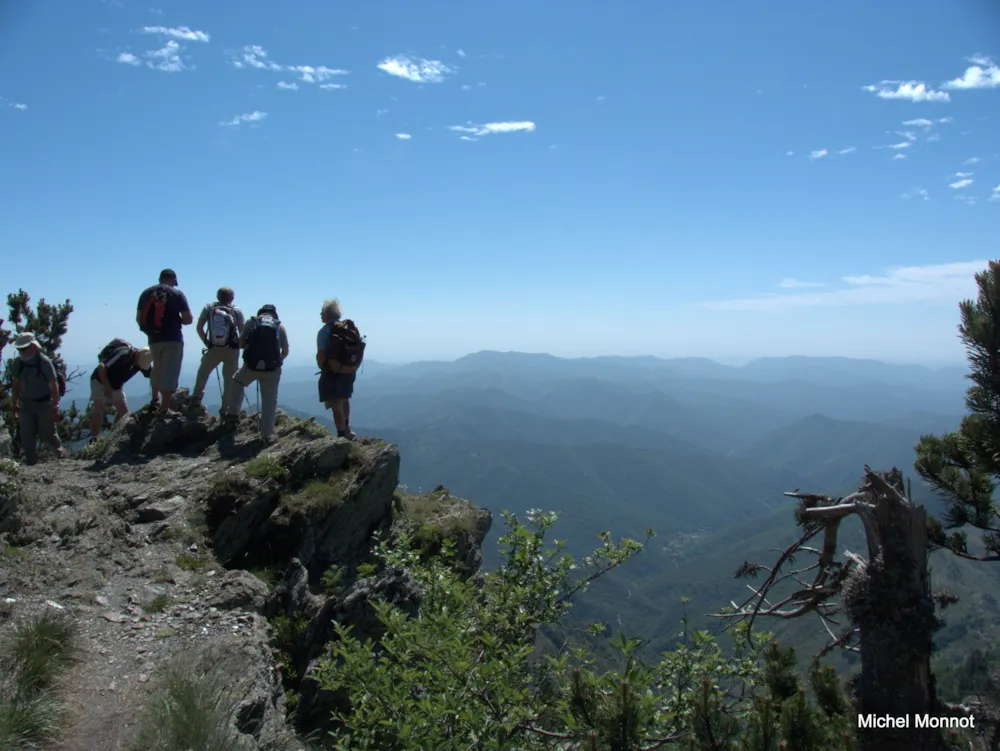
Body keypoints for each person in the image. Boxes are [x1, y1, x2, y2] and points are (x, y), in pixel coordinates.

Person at [136, 268, 193, 414]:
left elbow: (139, 318)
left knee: (157, 369)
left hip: (154, 339)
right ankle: (165, 407)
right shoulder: (176, 294)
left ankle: (154, 400)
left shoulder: (146, 293)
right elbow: (188, 319)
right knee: (170, 370)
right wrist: (176, 320)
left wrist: (150, 331)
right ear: (173, 280)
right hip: (173, 337)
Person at [230, 304, 289, 443]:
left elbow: (241, 343)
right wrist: (276, 362)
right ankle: (267, 435)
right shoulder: (279, 327)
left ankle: (232, 415)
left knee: (237, 382)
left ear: (260, 313)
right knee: (269, 402)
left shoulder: (252, 322)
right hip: (271, 370)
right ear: (274, 314)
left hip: (251, 367)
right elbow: (285, 351)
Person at [9, 332, 67, 465]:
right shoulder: (19, 363)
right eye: (19, 349)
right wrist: (15, 403)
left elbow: (53, 384)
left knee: (48, 433)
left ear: (33, 346)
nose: (21, 351)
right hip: (26, 404)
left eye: (23, 348)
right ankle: (31, 463)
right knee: (27, 434)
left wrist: (55, 405)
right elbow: (16, 383)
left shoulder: (44, 361)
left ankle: (63, 459)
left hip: (44, 403)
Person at [191, 286, 245, 416]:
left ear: (217, 296)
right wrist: (238, 346)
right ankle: (225, 410)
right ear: (232, 298)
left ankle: (196, 400)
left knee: (203, 373)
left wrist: (207, 342)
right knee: (230, 381)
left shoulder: (209, 308)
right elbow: (243, 332)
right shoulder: (236, 311)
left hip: (214, 348)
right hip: (231, 350)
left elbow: (199, 327)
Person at [316, 298, 364, 440]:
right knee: (345, 399)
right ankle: (348, 429)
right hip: (349, 370)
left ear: (327, 315)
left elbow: (321, 355)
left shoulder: (324, 332)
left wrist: (322, 366)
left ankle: (341, 435)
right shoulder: (347, 330)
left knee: (336, 403)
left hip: (332, 371)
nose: (320, 315)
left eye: (321, 313)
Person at [88, 339, 153, 439]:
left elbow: (152, 375)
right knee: (99, 408)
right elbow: (102, 367)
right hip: (99, 380)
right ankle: (94, 438)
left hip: (116, 384)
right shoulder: (123, 354)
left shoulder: (142, 361)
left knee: (123, 412)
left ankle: (114, 435)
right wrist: (107, 387)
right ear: (137, 355)